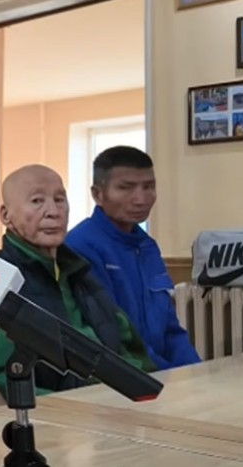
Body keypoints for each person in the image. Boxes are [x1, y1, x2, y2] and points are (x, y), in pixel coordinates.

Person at [0, 165, 154, 396]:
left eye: (59, 199)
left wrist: (145, 391)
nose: (53, 212)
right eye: (37, 201)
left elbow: (128, 348)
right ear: (6, 215)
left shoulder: (79, 272)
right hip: (57, 411)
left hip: (113, 403)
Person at [66, 146, 200, 370]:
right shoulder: (80, 246)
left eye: (149, 187)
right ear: (98, 194)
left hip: (160, 374)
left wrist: (197, 373)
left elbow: (170, 328)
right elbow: (109, 334)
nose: (141, 199)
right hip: (125, 375)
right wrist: (166, 377)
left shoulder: (147, 246)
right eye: (125, 188)